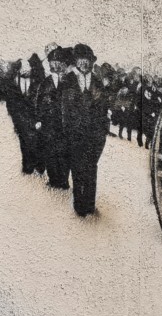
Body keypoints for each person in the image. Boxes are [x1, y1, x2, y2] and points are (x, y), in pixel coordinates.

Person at [63, 43, 111, 216]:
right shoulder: (68, 80)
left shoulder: (97, 82)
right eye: (81, 60)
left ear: (91, 62)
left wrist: (102, 131)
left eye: (87, 60)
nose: (84, 63)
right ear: (76, 61)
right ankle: (79, 205)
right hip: (74, 133)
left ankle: (89, 205)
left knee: (91, 167)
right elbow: (65, 109)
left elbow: (103, 107)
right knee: (77, 168)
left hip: (94, 134)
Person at [37, 45, 74, 190]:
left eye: (58, 62)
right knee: (50, 152)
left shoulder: (71, 81)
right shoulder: (45, 83)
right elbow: (39, 102)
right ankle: (53, 179)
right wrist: (39, 119)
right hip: (49, 124)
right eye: (52, 62)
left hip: (65, 124)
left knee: (65, 153)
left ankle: (63, 180)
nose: (55, 65)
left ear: (64, 63)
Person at [5, 54, 45, 176]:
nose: (26, 69)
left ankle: (39, 167)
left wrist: (39, 119)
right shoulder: (13, 83)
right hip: (21, 119)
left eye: (28, 66)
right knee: (25, 142)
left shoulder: (38, 82)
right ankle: (28, 167)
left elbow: (41, 101)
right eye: (22, 67)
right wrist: (15, 118)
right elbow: (11, 103)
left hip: (35, 118)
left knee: (38, 142)